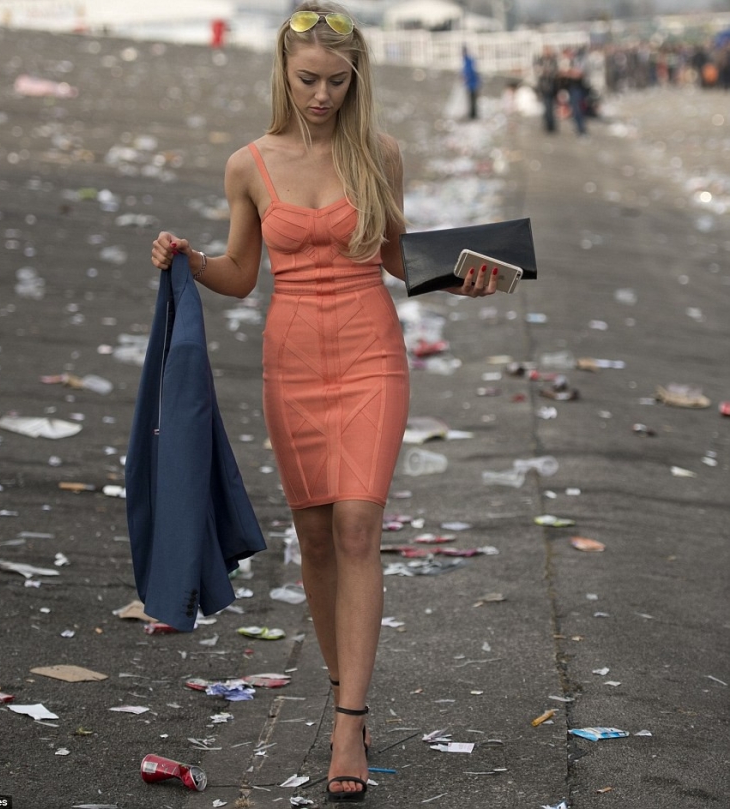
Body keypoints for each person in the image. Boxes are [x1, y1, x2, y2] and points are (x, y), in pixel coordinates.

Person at [150, 2, 497, 801]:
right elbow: (241, 276)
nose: (321, 96)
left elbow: (402, 259)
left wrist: (472, 274)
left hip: (370, 353)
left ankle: (348, 719)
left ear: (355, 80)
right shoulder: (248, 164)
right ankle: (347, 686)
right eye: (308, 80)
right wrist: (188, 258)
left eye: (337, 82)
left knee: (356, 524)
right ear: (281, 71)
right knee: (310, 538)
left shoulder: (379, 153)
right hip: (292, 361)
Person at [462, 45, 480, 120]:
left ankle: (473, 115)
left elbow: (470, 72)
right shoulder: (467, 60)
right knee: (471, 99)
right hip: (471, 83)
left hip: (472, 83)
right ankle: (472, 114)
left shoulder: (468, 61)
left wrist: (466, 78)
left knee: (472, 99)